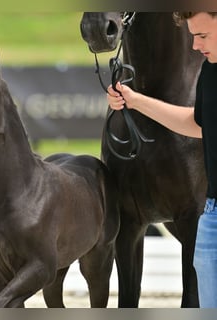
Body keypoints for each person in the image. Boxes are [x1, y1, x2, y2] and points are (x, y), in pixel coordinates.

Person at [107, 12, 217, 308]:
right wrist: (134, 100)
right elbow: (195, 124)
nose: (195, 45)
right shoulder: (209, 72)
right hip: (210, 217)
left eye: (203, 36)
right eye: (193, 36)